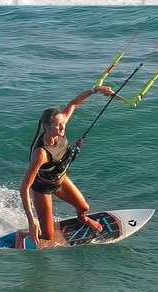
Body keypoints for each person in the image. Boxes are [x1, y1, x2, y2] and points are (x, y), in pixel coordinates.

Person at [20, 85, 116, 248]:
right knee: (47, 236)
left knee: (83, 207)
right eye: (58, 125)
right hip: (43, 188)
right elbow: (24, 188)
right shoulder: (41, 153)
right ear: (47, 127)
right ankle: (22, 234)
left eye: (63, 123)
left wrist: (96, 90)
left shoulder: (60, 127)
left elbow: (74, 103)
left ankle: (82, 218)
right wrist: (31, 221)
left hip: (61, 179)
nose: (63, 127)